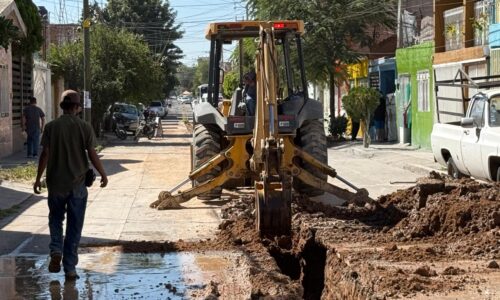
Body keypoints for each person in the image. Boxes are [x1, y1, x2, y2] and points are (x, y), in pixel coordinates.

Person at [34, 90, 108, 280]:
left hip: (56, 184)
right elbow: (92, 153)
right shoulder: (84, 127)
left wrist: (37, 179)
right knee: (74, 227)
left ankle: (56, 250)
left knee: (55, 219)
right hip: (77, 186)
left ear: (62, 107)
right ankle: (70, 269)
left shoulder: (51, 127)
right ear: (77, 108)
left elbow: (45, 154)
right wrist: (103, 174)